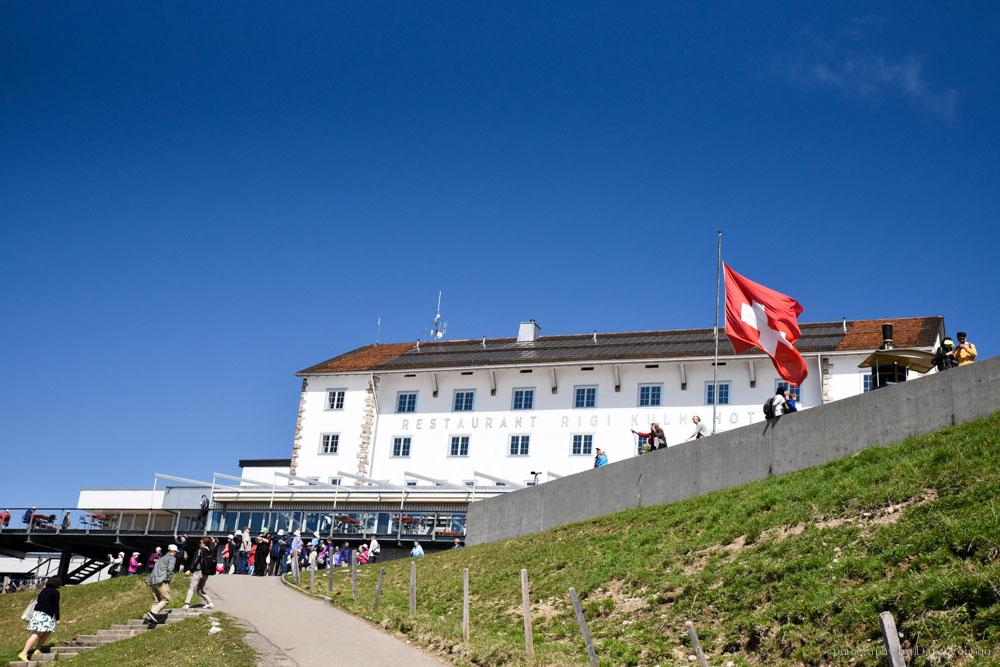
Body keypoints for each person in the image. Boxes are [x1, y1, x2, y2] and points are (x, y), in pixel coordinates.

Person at [18, 577, 60, 662]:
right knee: (36, 634)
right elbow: (56, 606)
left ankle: (37, 649)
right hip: (45, 615)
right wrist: (58, 619)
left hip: (37, 614)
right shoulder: (55, 592)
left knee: (47, 631)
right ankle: (24, 653)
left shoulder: (43, 590)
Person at [144, 544, 178, 623]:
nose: (176, 553)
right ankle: (153, 613)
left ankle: (151, 619)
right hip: (162, 580)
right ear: (173, 551)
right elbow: (170, 569)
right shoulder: (172, 558)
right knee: (166, 599)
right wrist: (168, 579)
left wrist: (149, 581)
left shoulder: (160, 559)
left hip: (153, 581)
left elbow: (154, 570)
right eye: (176, 552)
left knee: (156, 601)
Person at [183, 537, 216, 609]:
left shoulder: (200, 550)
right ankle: (209, 602)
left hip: (199, 571)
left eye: (201, 542)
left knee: (192, 588)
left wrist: (190, 570)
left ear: (204, 543)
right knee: (200, 590)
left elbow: (195, 560)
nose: (199, 544)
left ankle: (187, 604)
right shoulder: (211, 551)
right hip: (206, 573)